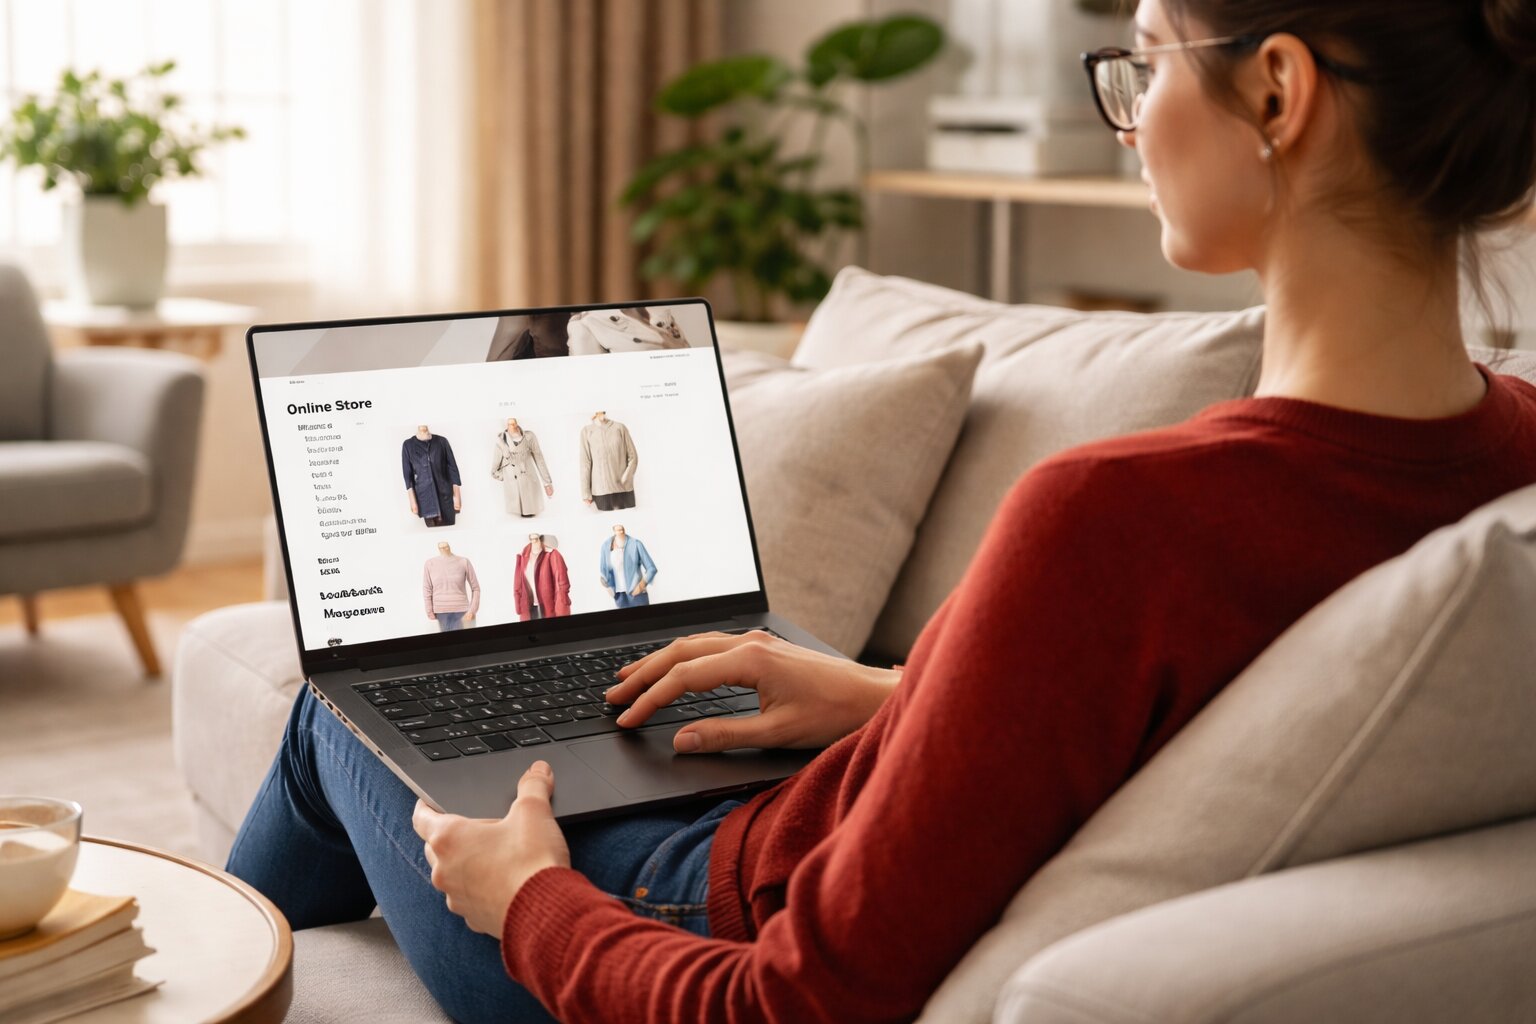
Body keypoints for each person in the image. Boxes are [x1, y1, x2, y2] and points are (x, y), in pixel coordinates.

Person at [225, 1, 1536, 1020]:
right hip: (781, 815)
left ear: (1276, 89)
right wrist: (890, 692)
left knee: (343, 697)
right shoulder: (1507, 462)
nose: (1128, 123)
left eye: (1143, 63)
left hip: (682, 924)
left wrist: (531, 903)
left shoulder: (1119, 514)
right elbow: (1193, 707)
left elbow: (795, 1000)